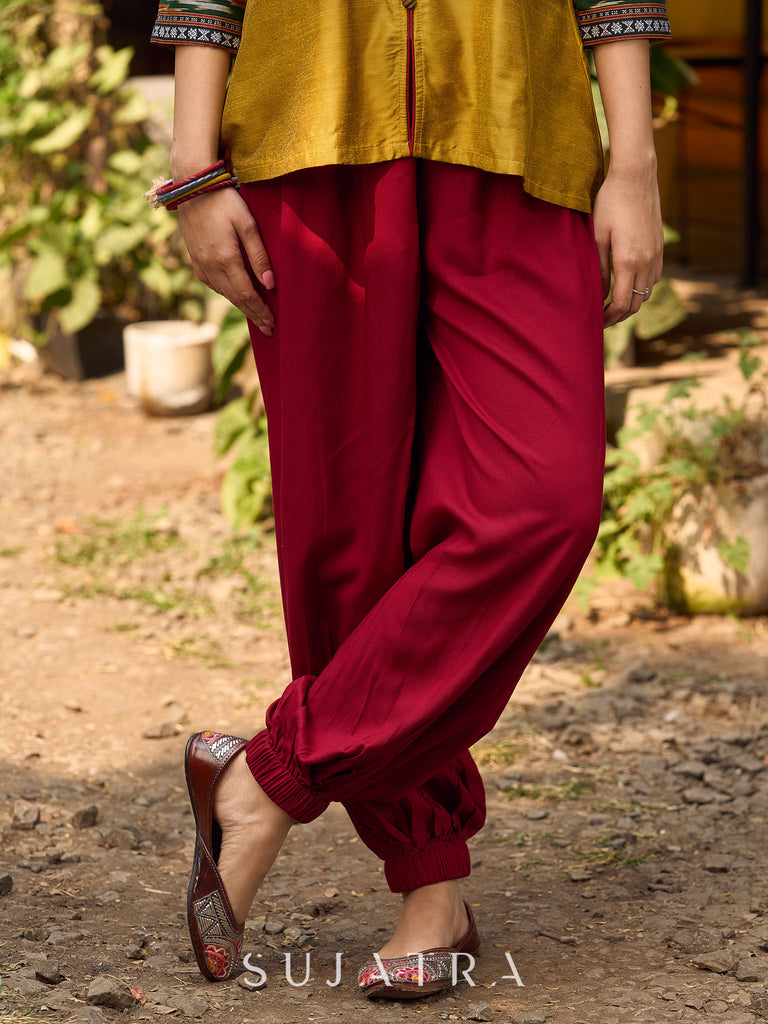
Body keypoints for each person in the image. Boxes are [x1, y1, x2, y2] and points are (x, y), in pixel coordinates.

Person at [150, 0, 670, 998]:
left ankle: (267, 778)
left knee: (545, 500)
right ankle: (432, 882)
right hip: (313, 130)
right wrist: (194, 166)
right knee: (350, 538)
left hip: (517, 130)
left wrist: (634, 162)